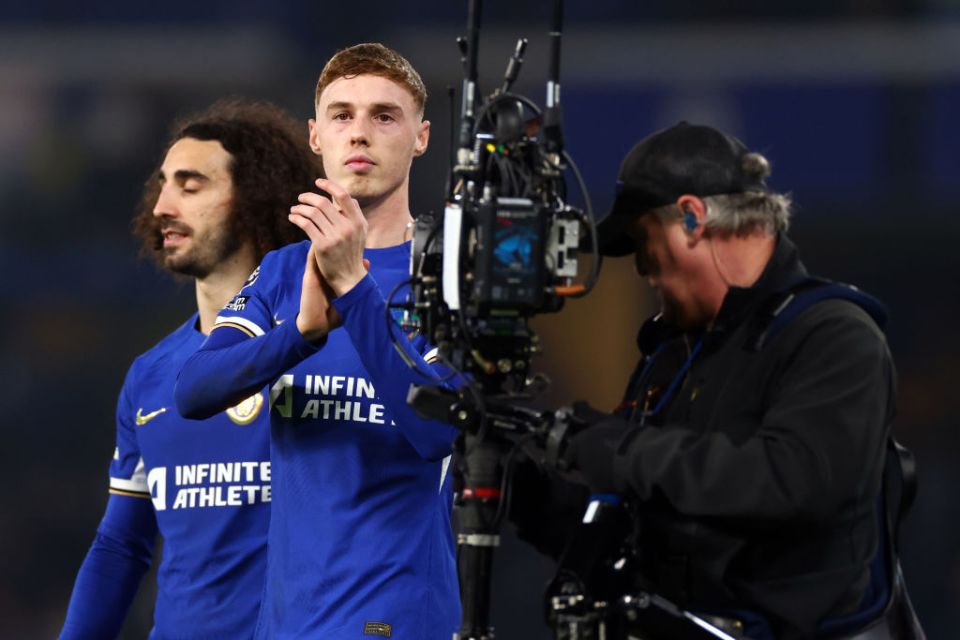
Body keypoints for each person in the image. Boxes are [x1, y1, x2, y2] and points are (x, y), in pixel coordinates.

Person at [513, 122, 924, 639]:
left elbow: (793, 481)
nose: (641, 266)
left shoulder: (834, 335)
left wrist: (620, 451)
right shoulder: (675, 352)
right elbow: (638, 529)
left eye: (643, 239)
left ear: (691, 216)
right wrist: (523, 488)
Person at [175, 43, 461, 639]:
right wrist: (299, 336)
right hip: (286, 624)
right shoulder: (283, 273)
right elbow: (194, 389)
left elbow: (437, 430)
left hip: (398, 620)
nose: (359, 134)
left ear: (421, 137)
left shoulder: (449, 275)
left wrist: (355, 288)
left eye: (384, 116)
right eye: (341, 115)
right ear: (315, 136)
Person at [60, 98, 322, 639]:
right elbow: (121, 544)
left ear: (254, 200)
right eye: (163, 184)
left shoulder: (322, 345)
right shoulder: (150, 375)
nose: (161, 205)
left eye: (190, 184)